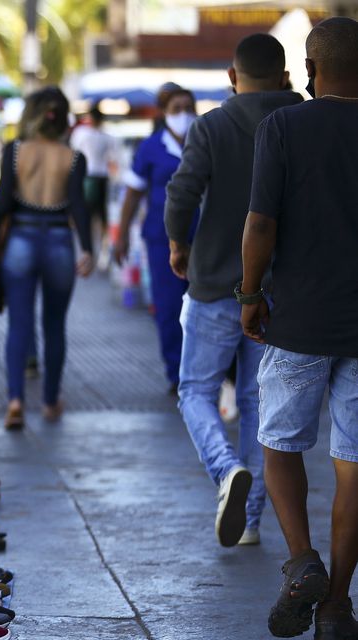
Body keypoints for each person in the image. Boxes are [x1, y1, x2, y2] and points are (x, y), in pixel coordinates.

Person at [240, 17, 358, 640]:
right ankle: (338, 606)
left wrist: (250, 294)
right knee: (354, 463)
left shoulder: (283, 127)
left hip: (298, 318)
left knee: (280, 443)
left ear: (311, 71)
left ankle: (302, 560)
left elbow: (260, 224)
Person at [165, 34, 302, 549]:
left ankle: (225, 472)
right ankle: (250, 522)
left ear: (231, 76)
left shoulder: (213, 124)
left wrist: (179, 245)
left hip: (215, 283)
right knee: (254, 400)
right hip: (280, 289)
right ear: (287, 76)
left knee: (196, 391)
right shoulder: (302, 122)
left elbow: (182, 193)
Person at [0, 87, 94, 430]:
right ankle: (50, 401)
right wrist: (89, 250)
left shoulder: (14, 151)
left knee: (19, 324)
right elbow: (79, 207)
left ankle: (15, 400)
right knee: (54, 325)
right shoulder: (74, 158)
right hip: (59, 243)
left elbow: (3, 204)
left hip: (20, 240)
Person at [115, 84, 197, 393]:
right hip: (161, 237)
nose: (184, 116)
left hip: (202, 237)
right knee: (168, 306)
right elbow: (133, 193)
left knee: (204, 307)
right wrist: (121, 234)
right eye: (177, 109)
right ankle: (176, 372)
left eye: (188, 108)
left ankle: (204, 369)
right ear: (164, 113)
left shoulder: (204, 141)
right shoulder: (150, 148)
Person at [70, 105, 117, 258]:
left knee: (86, 214)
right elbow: (113, 159)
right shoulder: (106, 136)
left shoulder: (81, 134)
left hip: (88, 177)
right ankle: (101, 250)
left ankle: (89, 248)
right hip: (101, 177)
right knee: (101, 216)